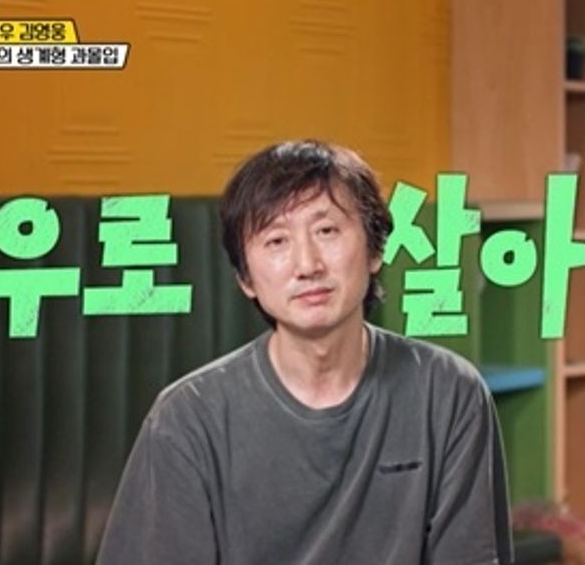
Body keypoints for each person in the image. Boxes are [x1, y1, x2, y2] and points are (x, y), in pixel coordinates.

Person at [96, 140, 513, 564]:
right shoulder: (186, 420)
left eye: (326, 231)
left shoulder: (449, 394)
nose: (308, 264)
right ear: (246, 279)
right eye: (277, 240)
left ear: (374, 250)